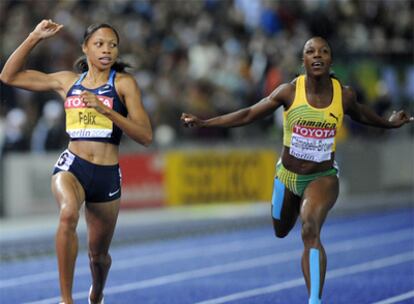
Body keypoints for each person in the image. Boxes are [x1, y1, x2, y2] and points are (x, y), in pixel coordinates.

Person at [181, 36, 413, 304]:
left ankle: (314, 300)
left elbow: (362, 113)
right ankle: (283, 195)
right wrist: (205, 122)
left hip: (322, 177)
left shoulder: (344, 95)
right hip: (287, 176)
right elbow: (247, 114)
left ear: (330, 60)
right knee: (281, 230)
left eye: (323, 51)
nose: (317, 55)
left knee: (309, 229)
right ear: (303, 60)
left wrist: (390, 123)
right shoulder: (289, 92)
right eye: (310, 51)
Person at [0, 19, 152, 304]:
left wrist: (107, 113)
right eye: (99, 44)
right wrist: (34, 37)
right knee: (68, 213)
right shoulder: (67, 81)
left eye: (113, 45)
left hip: (106, 174)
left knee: (99, 257)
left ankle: (97, 291)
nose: (107, 50)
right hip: (73, 165)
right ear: (85, 48)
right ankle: (66, 300)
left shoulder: (123, 84)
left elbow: (145, 136)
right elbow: (8, 76)